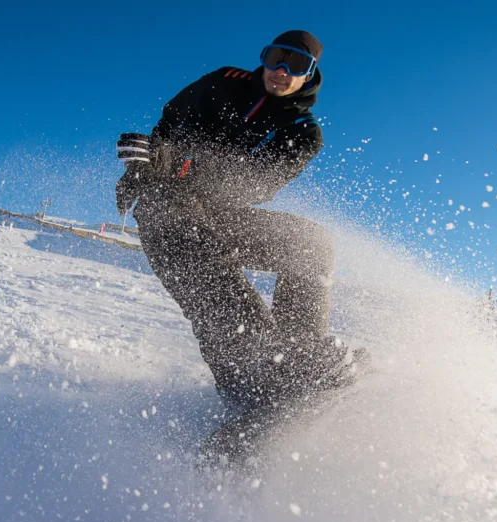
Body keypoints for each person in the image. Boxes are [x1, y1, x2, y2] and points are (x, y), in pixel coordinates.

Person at [115, 30, 364, 409]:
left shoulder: (303, 132)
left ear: (310, 74)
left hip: (222, 212)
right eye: (275, 57)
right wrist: (146, 164)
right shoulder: (223, 83)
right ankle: (253, 376)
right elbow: (169, 124)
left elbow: (256, 186)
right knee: (182, 230)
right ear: (263, 57)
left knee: (312, 244)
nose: (281, 70)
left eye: (295, 63)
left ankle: (300, 354)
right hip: (169, 209)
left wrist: (184, 166)